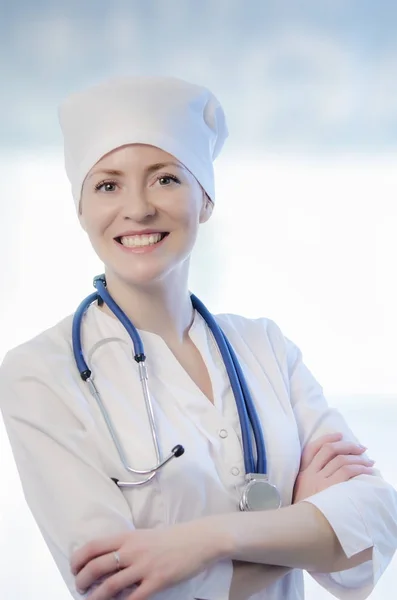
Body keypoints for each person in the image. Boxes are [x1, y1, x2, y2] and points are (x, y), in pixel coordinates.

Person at [0, 76, 396, 600]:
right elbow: (117, 590)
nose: (138, 208)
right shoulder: (39, 374)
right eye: (108, 185)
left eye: (165, 178)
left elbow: (374, 524)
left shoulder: (266, 347)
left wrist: (205, 542)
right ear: (81, 209)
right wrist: (301, 526)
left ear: (205, 199)